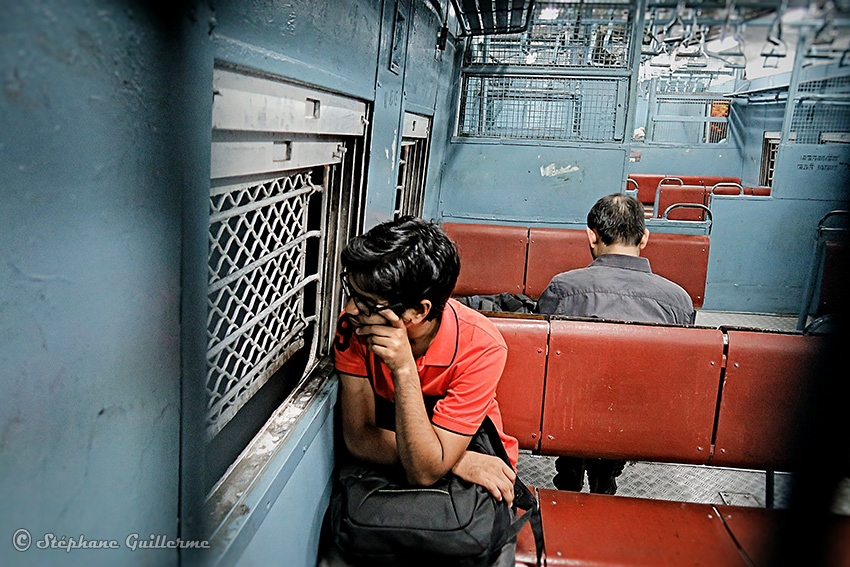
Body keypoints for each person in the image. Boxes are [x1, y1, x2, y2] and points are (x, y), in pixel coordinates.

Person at [326, 216, 519, 565]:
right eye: (353, 295)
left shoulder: (481, 345)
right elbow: (359, 437)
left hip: (473, 468)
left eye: (369, 304)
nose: (353, 311)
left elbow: (425, 472)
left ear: (418, 311)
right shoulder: (353, 328)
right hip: (416, 464)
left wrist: (402, 368)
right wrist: (457, 461)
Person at [536, 193, 695, 494]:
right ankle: (606, 470)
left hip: (569, 413)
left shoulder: (563, 287)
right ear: (644, 238)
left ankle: (571, 466)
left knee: (574, 384)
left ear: (591, 236)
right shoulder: (678, 300)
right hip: (639, 419)